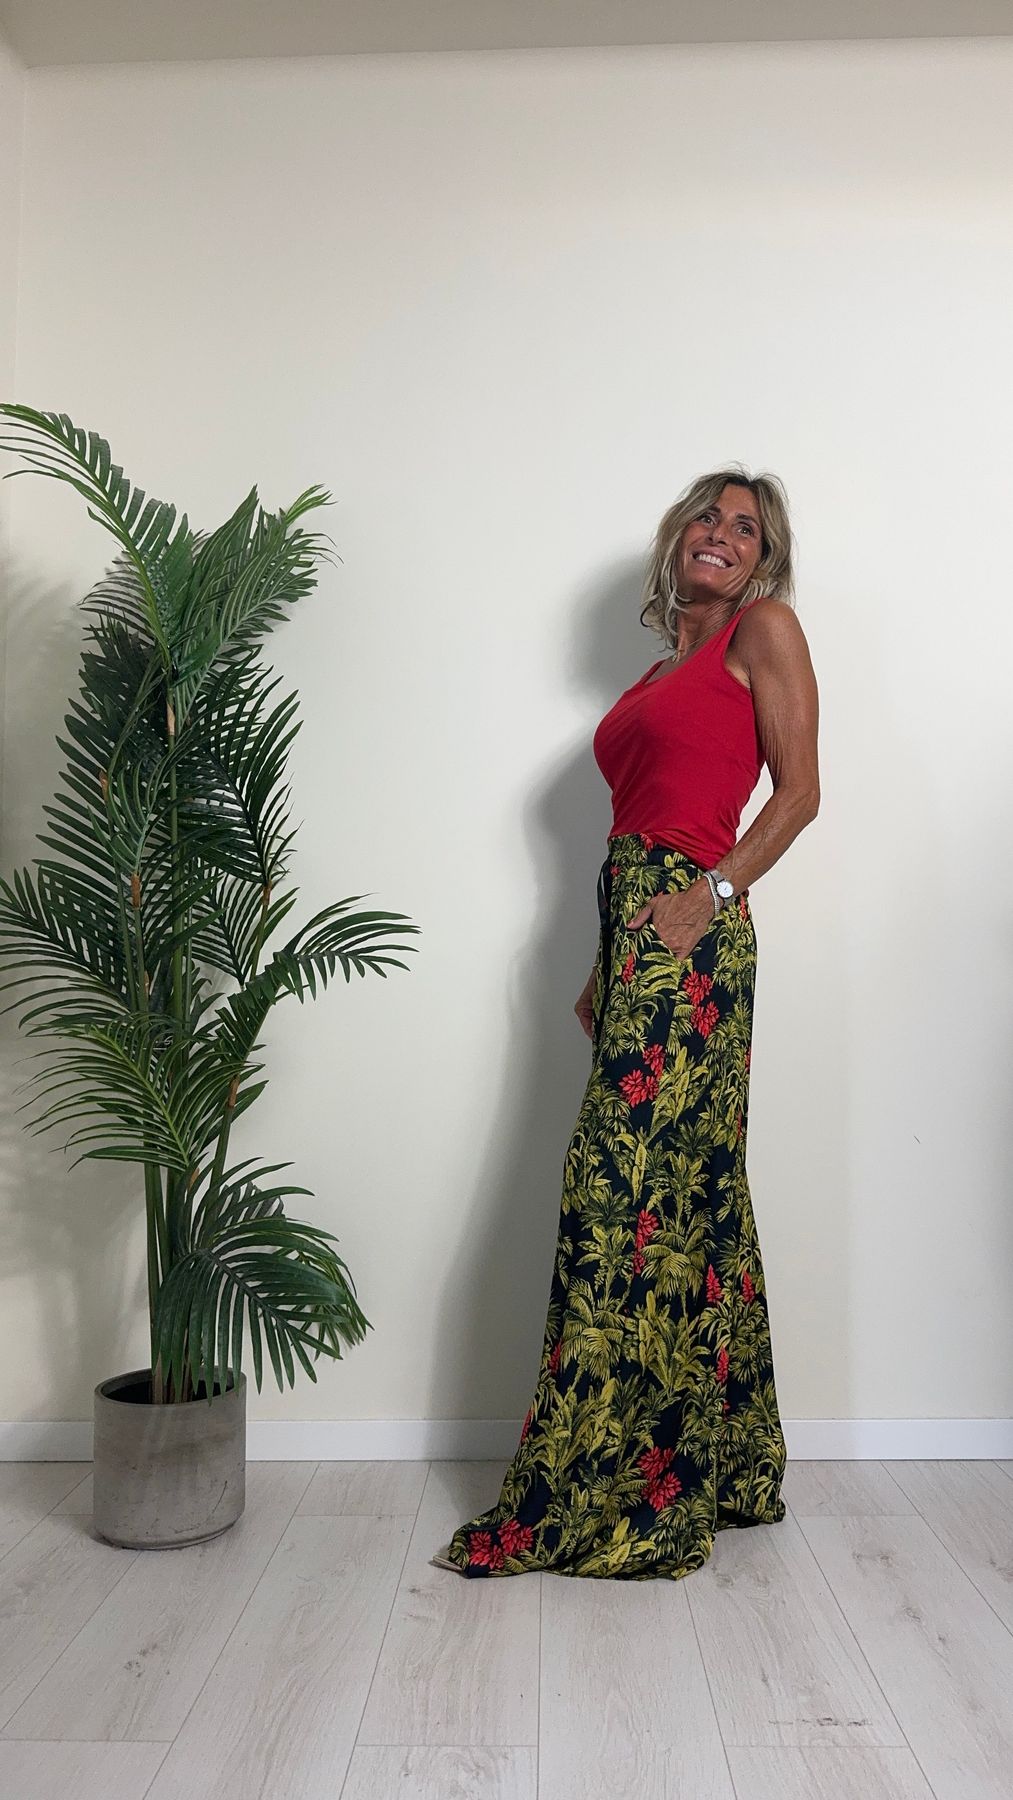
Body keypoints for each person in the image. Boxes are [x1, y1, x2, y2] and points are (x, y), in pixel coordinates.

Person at [431, 465, 820, 1579]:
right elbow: (635, 826)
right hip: (639, 935)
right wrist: (610, 956)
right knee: (689, 1195)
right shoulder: (660, 671)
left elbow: (798, 793)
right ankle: (724, 1466)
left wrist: (712, 895)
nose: (721, 533)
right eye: (707, 515)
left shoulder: (762, 631)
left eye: (745, 528)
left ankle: (616, 1491)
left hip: (694, 933)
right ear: (675, 536)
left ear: (761, 562)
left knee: (622, 1199)